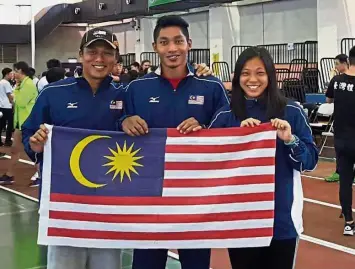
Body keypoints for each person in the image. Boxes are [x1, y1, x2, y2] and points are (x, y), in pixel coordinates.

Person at [120, 15, 230, 269]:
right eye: (164, 42)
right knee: (146, 264)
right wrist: (124, 121)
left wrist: (205, 129)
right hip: (150, 195)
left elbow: (228, 129)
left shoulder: (210, 86)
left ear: (189, 44)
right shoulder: (137, 88)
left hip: (196, 196)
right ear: (155, 46)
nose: (172, 48)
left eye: (178, 41)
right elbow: (117, 125)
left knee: (196, 265)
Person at [21, 27, 125, 269]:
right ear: (81, 55)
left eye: (107, 53)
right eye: (92, 52)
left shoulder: (125, 94)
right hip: (65, 206)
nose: (99, 59)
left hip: (108, 208)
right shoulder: (53, 93)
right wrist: (34, 144)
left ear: (115, 59)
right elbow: (29, 133)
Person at [209, 47, 318, 269]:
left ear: (270, 75)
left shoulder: (292, 112)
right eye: (245, 73)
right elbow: (209, 165)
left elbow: (310, 162)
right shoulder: (225, 115)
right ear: (237, 77)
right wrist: (236, 138)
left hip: (282, 223)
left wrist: (290, 139)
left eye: (260, 73)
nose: (252, 80)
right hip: (240, 222)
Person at [325, 46, 355, 236]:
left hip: (342, 139)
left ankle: (349, 222)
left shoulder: (336, 81)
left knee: (345, 180)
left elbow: (328, 101)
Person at [0, 61, 38, 185]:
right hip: (21, 123)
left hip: (29, 123)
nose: (13, 74)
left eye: (15, 71)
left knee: (33, 151)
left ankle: (41, 176)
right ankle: (9, 175)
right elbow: (14, 101)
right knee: (15, 150)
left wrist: (16, 89)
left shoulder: (28, 85)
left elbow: (19, 102)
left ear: (20, 71)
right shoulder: (22, 84)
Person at [325, 54, 349, 182]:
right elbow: (329, 100)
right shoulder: (335, 80)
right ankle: (340, 171)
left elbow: (328, 100)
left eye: (336, 63)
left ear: (345, 63)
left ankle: (342, 172)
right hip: (340, 119)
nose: (335, 66)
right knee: (341, 146)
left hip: (344, 119)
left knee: (343, 146)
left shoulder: (336, 80)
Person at [0, 68, 14, 147]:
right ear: (7, 74)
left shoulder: (1, 82)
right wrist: (13, 104)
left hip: (1, 106)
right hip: (7, 106)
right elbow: (9, 95)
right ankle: (8, 141)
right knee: (10, 124)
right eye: (11, 74)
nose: (12, 75)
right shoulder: (6, 83)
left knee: (1, 124)